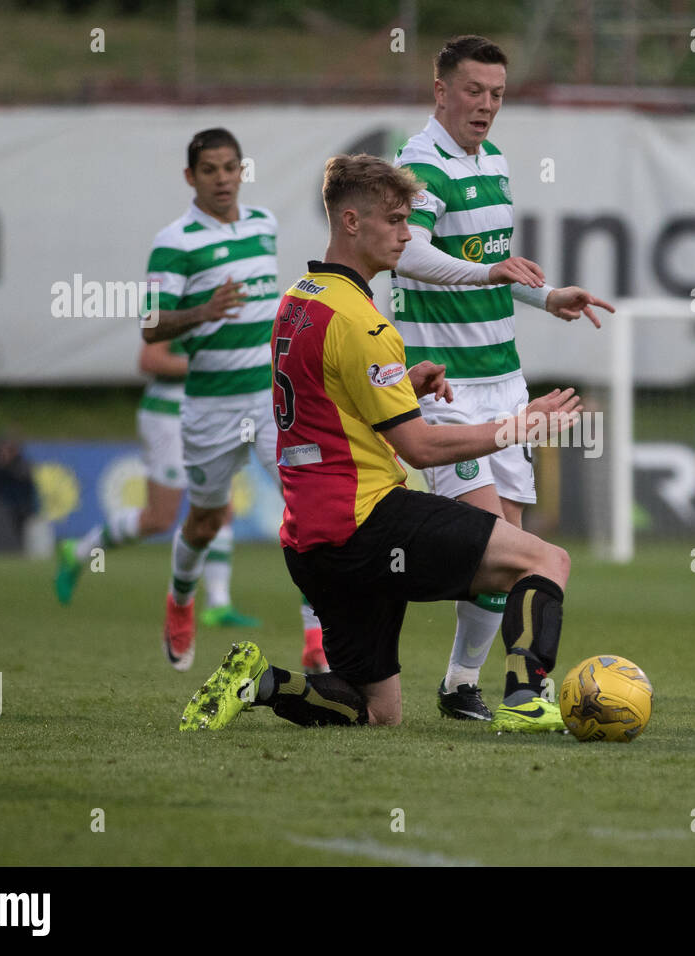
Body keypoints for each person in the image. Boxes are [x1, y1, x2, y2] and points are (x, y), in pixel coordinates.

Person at [180, 154, 581, 733]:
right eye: (394, 220)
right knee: (545, 559)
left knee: (378, 713)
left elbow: (327, 400)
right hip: (367, 521)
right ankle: (524, 700)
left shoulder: (300, 298)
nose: (406, 234)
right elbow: (419, 448)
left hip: (311, 544)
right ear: (350, 221)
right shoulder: (364, 323)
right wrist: (518, 426)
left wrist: (403, 384)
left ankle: (263, 681)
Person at [391, 34, 613, 724]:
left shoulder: (492, 161)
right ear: (441, 90)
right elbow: (409, 252)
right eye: (473, 91)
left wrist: (548, 298)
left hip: (505, 383)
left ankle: (462, 685)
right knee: (503, 547)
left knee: (505, 551)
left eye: (497, 94)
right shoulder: (419, 163)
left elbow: (491, 260)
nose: (486, 106)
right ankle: (523, 687)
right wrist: (489, 271)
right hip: (447, 391)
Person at [139, 128, 324, 672]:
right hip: (210, 407)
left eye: (230, 168)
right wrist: (202, 311)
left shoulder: (264, 225)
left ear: (242, 170)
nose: (222, 179)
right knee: (204, 520)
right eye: (210, 170)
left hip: (271, 400)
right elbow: (150, 326)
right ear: (190, 177)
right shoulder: (174, 242)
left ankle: (317, 640)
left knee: (309, 510)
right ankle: (180, 600)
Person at [52, 336, 260, 629]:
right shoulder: (172, 298)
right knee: (159, 518)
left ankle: (218, 604)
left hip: (211, 414)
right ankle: (79, 552)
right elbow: (149, 360)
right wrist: (208, 366)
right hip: (169, 415)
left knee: (221, 507)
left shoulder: (230, 297)